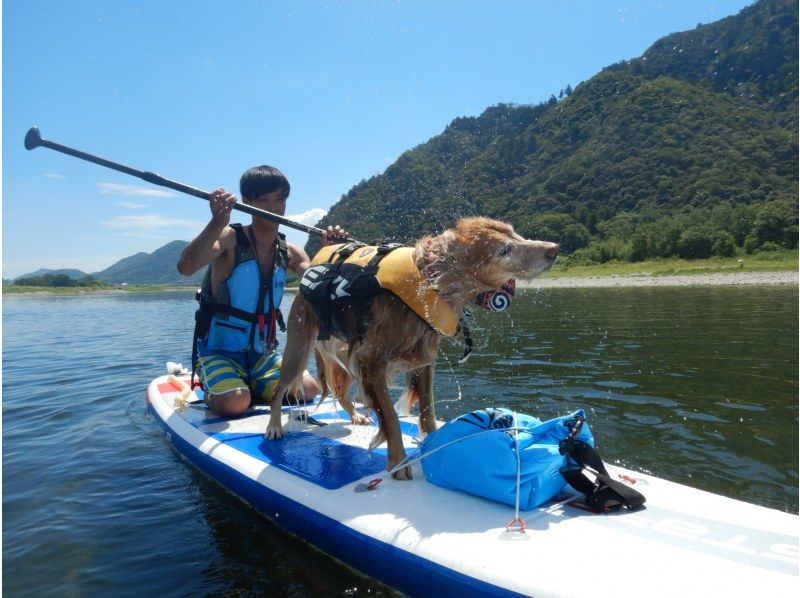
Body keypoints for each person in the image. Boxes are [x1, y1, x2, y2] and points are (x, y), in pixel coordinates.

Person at [177, 165, 346, 416]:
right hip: (218, 352)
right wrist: (216, 222)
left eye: (279, 200)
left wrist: (330, 253)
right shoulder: (229, 238)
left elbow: (320, 288)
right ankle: (224, 391)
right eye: (263, 200)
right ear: (247, 202)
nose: (273, 207)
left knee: (309, 389)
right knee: (235, 402)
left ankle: (250, 386)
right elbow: (185, 267)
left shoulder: (292, 253)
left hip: (263, 356)